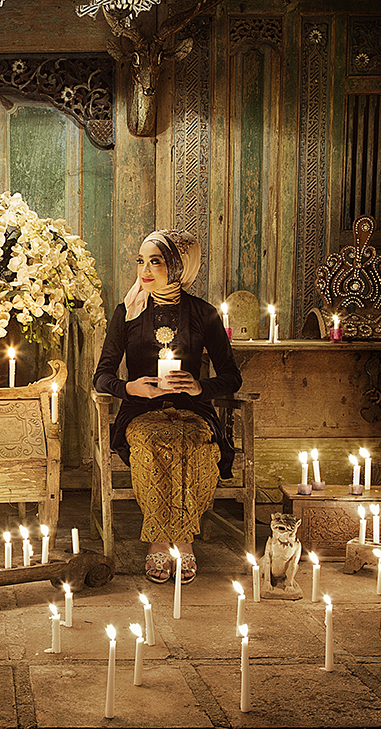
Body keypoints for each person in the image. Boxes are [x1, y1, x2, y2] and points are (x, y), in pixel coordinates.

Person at [93, 229, 241, 584]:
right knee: (153, 444)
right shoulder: (127, 312)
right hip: (140, 412)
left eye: (155, 262)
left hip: (193, 411)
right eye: (141, 261)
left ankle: (183, 540)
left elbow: (231, 376)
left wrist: (200, 387)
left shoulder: (203, 313)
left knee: (196, 445)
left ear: (178, 267)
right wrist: (130, 388)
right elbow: (102, 377)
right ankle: (162, 541)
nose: (144, 270)